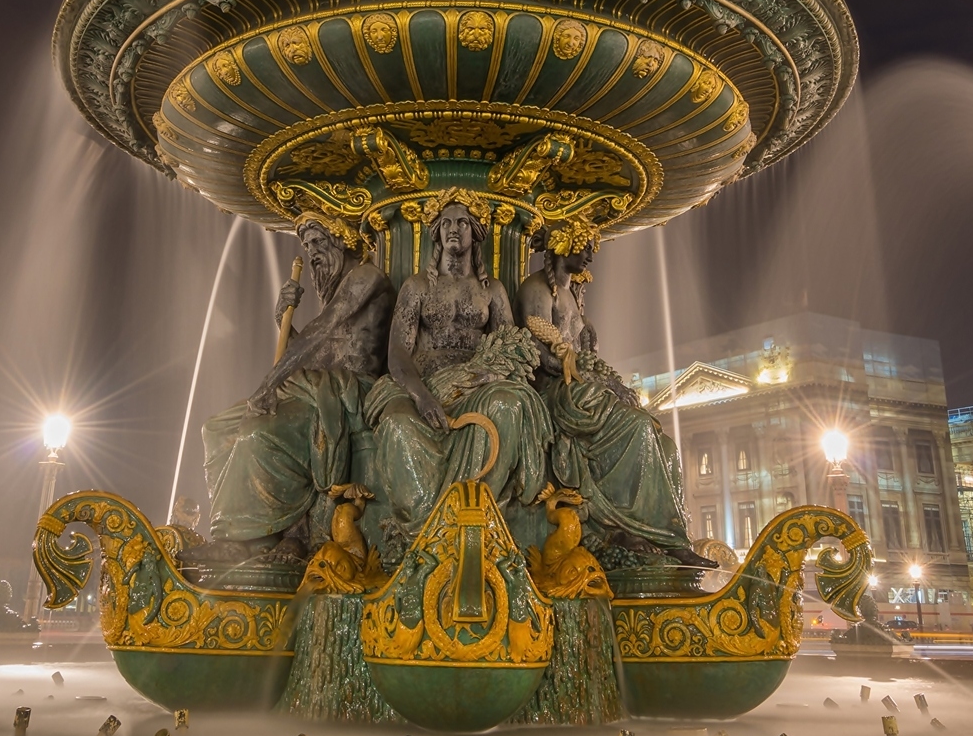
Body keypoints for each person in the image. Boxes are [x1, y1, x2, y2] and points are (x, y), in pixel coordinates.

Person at [193, 213, 393, 569]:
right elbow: (319, 351)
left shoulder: (366, 277)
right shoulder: (336, 291)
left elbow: (322, 333)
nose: (312, 252)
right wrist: (282, 323)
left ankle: (264, 537)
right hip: (313, 385)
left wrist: (269, 383)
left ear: (344, 239)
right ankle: (241, 529)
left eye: (319, 242)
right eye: (307, 245)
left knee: (259, 432)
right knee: (216, 429)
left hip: (346, 391)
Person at [360, 196, 548, 555]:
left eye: (461, 223)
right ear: (436, 234)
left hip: (477, 382)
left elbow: (513, 346)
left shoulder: (492, 291)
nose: (453, 229)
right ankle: (426, 531)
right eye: (446, 223)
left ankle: (481, 517)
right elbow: (398, 352)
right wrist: (421, 395)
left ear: (475, 233)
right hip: (421, 382)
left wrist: (485, 375)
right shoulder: (417, 287)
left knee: (509, 404)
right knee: (398, 425)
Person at [517, 222, 705, 568]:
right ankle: (619, 526)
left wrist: (599, 375)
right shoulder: (537, 288)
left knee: (662, 442)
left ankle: (667, 537)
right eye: (584, 244)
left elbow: (587, 358)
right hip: (555, 390)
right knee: (635, 427)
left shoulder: (573, 297)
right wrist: (587, 375)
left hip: (583, 388)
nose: (590, 254)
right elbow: (535, 352)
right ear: (562, 241)